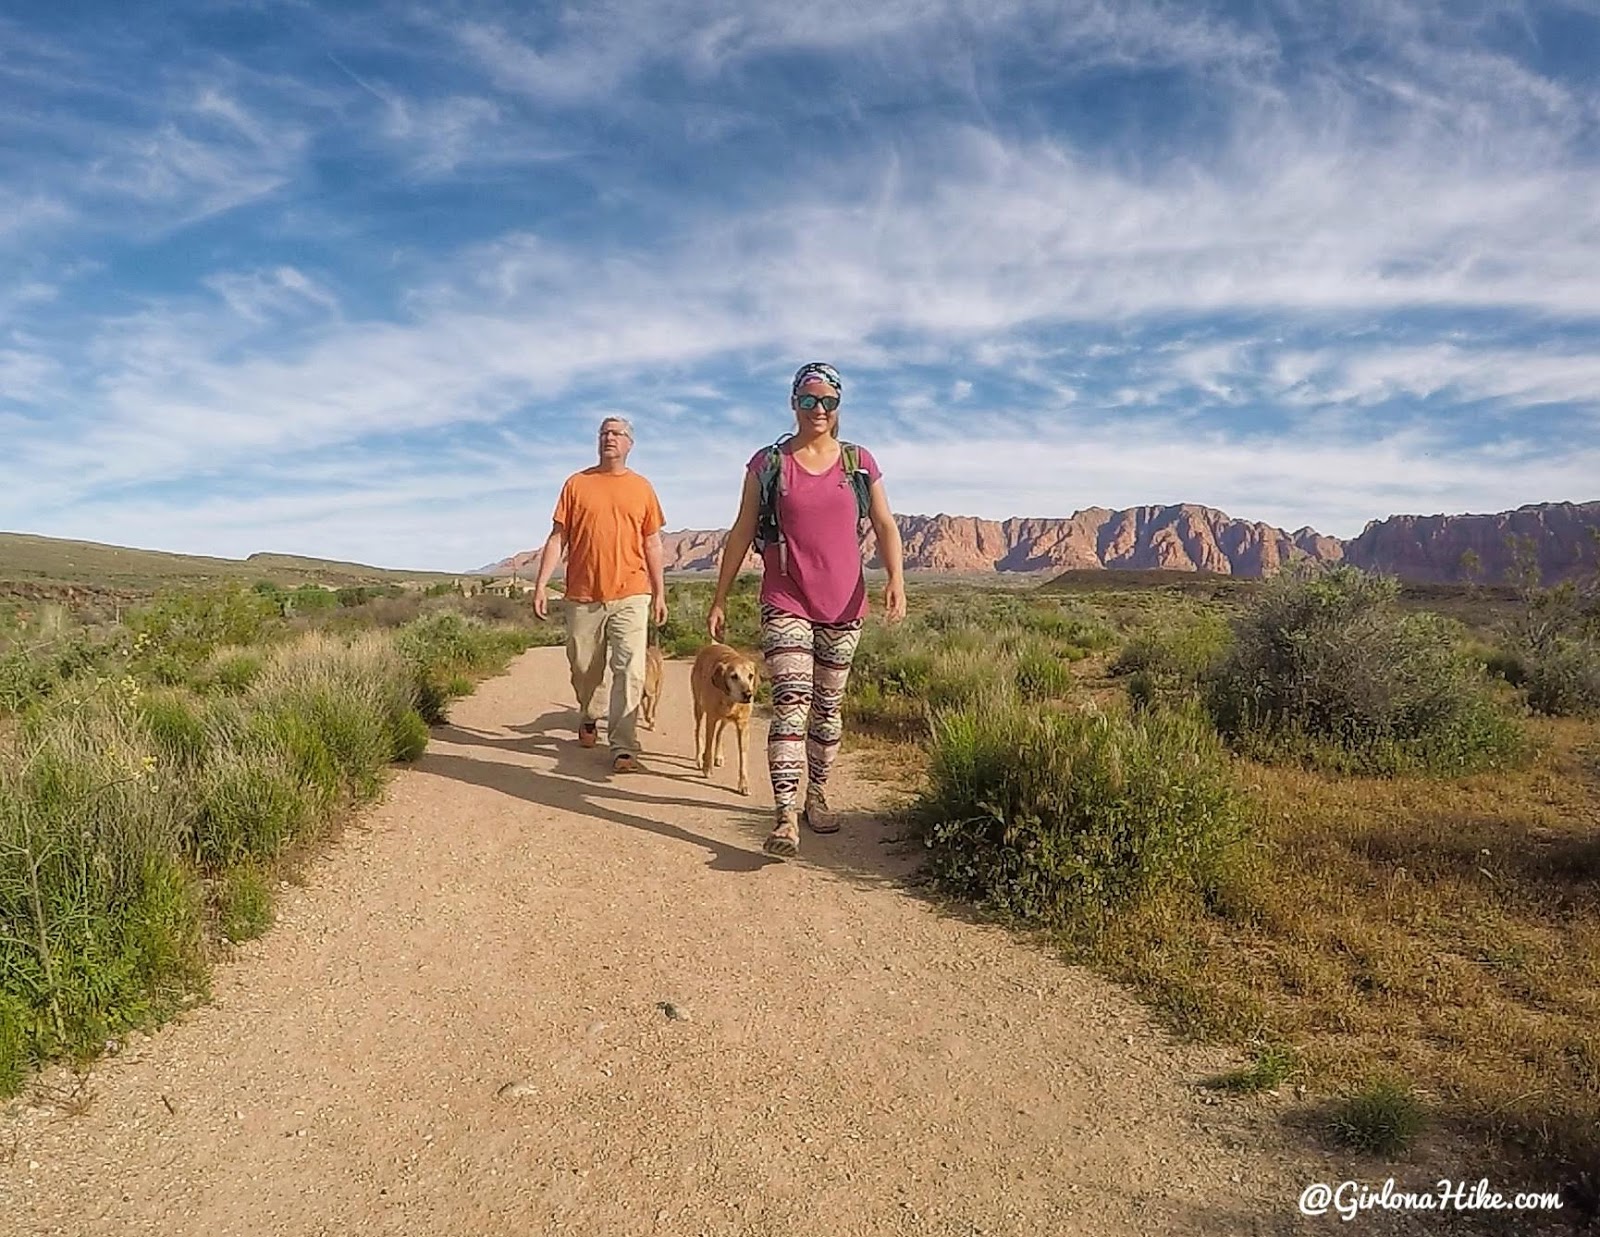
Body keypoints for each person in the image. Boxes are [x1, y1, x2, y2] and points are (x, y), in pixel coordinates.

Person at [707, 362, 906, 857]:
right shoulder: (768, 463)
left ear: (839, 405)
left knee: (827, 709)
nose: (819, 410)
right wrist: (719, 595)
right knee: (791, 704)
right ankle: (784, 816)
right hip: (786, 598)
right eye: (809, 400)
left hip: (844, 602)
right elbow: (740, 529)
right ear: (793, 403)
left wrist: (896, 579)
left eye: (828, 401)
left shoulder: (858, 462)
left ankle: (816, 793)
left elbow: (884, 524)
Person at [533, 417, 668, 773]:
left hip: (632, 593)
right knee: (583, 667)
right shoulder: (577, 484)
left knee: (630, 670)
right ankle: (589, 713)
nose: (610, 438)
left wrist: (660, 592)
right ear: (598, 442)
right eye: (604, 433)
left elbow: (652, 542)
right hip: (582, 594)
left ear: (629, 444)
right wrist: (542, 582)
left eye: (617, 433)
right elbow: (557, 538)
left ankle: (623, 746)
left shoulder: (642, 488)